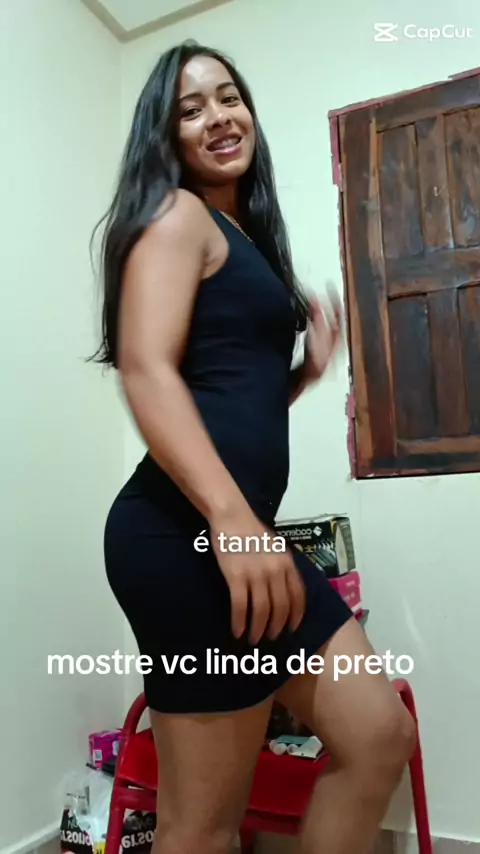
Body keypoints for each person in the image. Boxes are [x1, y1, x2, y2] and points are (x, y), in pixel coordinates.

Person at [92, 40, 416, 854]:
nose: (218, 117)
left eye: (228, 97)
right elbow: (146, 368)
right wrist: (233, 522)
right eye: (190, 109)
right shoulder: (177, 215)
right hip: (185, 535)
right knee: (202, 828)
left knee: (378, 735)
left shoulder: (237, 233)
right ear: (165, 137)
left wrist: (300, 372)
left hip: (235, 533)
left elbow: (222, 395)